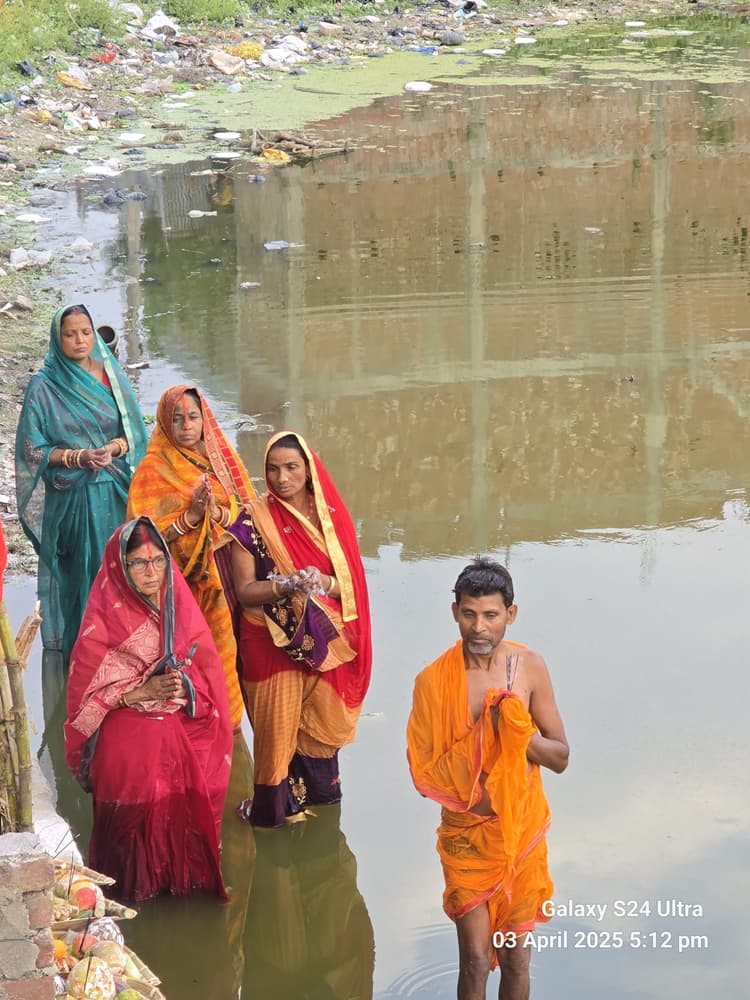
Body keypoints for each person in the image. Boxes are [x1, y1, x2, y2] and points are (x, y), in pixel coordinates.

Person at [406, 558, 569, 1000]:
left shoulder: (529, 667)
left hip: (520, 835)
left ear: (510, 614)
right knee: (475, 960)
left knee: (516, 961)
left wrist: (513, 731)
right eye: (469, 614)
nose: (479, 627)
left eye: (491, 615)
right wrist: (482, 738)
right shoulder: (433, 682)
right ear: (455, 612)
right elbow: (426, 772)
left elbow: (559, 757)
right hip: (466, 838)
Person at [64, 517, 233, 901]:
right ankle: (128, 895)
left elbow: (205, 673)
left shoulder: (178, 608)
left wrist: (184, 687)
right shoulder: (102, 621)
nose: (151, 572)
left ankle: (180, 888)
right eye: (139, 563)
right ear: (120, 567)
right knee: (135, 796)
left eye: (158, 560)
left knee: (185, 791)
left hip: (175, 720)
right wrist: (136, 693)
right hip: (122, 726)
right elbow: (82, 710)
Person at [228, 431, 372, 828]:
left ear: (309, 469)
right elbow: (244, 591)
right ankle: (275, 816)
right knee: (275, 735)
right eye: (273, 469)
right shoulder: (252, 520)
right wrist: (285, 585)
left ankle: (321, 811)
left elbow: (352, 587)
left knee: (318, 728)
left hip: (322, 642)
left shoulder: (331, 519)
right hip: (266, 639)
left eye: (291, 468)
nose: (282, 478)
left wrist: (321, 583)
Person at [15, 303, 147, 663]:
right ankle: (85, 663)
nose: (79, 340)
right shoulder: (44, 385)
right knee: (80, 582)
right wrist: (79, 457)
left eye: (86, 332)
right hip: (71, 500)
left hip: (114, 494)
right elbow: (32, 449)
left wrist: (111, 449)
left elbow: (133, 433)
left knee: (121, 574)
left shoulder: (111, 375)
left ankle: (127, 663)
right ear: (57, 339)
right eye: (70, 334)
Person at [127, 385, 256, 729]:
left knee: (233, 654)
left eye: (193, 417)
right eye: (177, 418)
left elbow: (245, 514)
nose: (186, 425)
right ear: (165, 423)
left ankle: (230, 730)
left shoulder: (220, 460)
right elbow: (141, 540)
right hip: (182, 587)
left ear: (204, 420)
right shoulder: (152, 469)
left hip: (228, 575)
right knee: (196, 659)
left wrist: (215, 513)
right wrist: (191, 518)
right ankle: (199, 728)